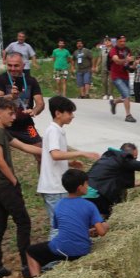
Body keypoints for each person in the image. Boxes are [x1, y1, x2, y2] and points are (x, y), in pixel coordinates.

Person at [0, 97, 43, 278]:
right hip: (4, 186)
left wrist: (50, 152)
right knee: (23, 222)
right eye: (10, 114)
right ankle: (27, 265)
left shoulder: (2, 132)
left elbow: (25, 147)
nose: (14, 118)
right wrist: (14, 180)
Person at [37, 96, 100, 239]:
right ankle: (52, 260)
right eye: (70, 112)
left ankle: (58, 257)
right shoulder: (53, 131)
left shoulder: (56, 130)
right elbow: (55, 154)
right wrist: (82, 153)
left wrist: (70, 163)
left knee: (61, 225)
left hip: (55, 187)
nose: (72, 116)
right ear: (58, 113)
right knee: (58, 227)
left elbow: (52, 156)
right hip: (54, 187)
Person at [27, 169, 108, 278]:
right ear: (80, 188)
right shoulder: (89, 205)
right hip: (82, 251)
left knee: (31, 251)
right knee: (105, 225)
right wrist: (105, 226)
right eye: (86, 183)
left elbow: (62, 228)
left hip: (60, 250)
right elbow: (102, 232)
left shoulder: (59, 204)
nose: (88, 186)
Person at [85, 143, 140, 218]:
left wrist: (132, 184)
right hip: (96, 195)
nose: (134, 160)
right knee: (107, 216)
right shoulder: (123, 160)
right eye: (134, 158)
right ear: (127, 155)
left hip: (84, 192)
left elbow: (111, 178)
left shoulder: (109, 157)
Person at [0, 52, 45, 165]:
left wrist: (34, 110)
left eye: (16, 65)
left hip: (27, 125)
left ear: (23, 65)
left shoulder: (31, 80)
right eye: (9, 65)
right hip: (4, 126)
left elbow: (40, 103)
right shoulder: (0, 79)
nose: (12, 68)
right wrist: (10, 96)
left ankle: (43, 182)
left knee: (41, 153)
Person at [108, 35, 136, 123]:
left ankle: (114, 102)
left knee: (125, 95)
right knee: (127, 94)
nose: (123, 43)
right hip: (116, 76)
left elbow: (130, 65)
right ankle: (128, 115)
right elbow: (116, 61)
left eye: (124, 41)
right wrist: (125, 59)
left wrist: (135, 64)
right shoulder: (113, 50)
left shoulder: (127, 50)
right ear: (117, 42)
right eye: (121, 41)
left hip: (125, 75)